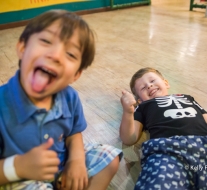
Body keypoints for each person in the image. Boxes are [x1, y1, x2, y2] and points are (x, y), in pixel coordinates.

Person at [0, 10, 122, 190]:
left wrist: (76, 161)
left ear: (76, 74)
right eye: (46, 41)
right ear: (22, 47)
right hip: (18, 177)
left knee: (109, 158)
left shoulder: (70, 97)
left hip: (61, 166)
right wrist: (18, 167)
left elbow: (73, 133)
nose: (55, 55)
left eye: (70, 54)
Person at [120, 67, 207, 190]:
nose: (149, 86)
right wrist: (128, 112)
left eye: (152, 81)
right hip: (167, 151)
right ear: (139, 100)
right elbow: (129, 138)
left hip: (203, 145)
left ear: (166, 83)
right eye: (143, 88)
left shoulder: (187, 98)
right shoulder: (144, 106)